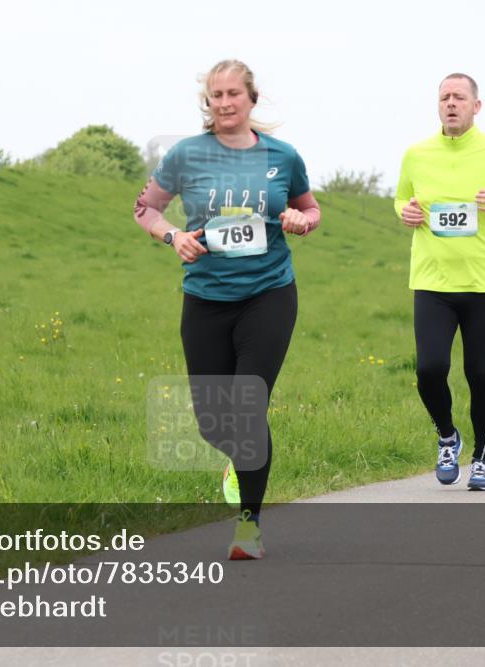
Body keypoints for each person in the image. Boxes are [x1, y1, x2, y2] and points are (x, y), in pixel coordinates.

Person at [133, 59, 321, 559]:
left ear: (251, 99)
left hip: (269, 294)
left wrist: (301, 220)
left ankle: (248, 526)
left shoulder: (283, 156)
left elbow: (311, 208)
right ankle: (238, 462)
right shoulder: (186, 154)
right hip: (206, 298)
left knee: (248, 405)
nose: (225, 102)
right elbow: (145, 208)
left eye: (234, 93)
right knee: (212, 422)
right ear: (208, 103)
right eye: (216, 95)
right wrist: (173, 236)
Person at [394, 72, 485, 491]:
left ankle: (483, 460)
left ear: (476, 106)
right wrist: (405, 212)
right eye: (444, 97)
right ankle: (447, 436)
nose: (451, 103)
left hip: (483, 284)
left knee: (480, 373)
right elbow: (401, 198)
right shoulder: (416, 154)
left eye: (459, 97)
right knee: (429, 370)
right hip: (432, 282)